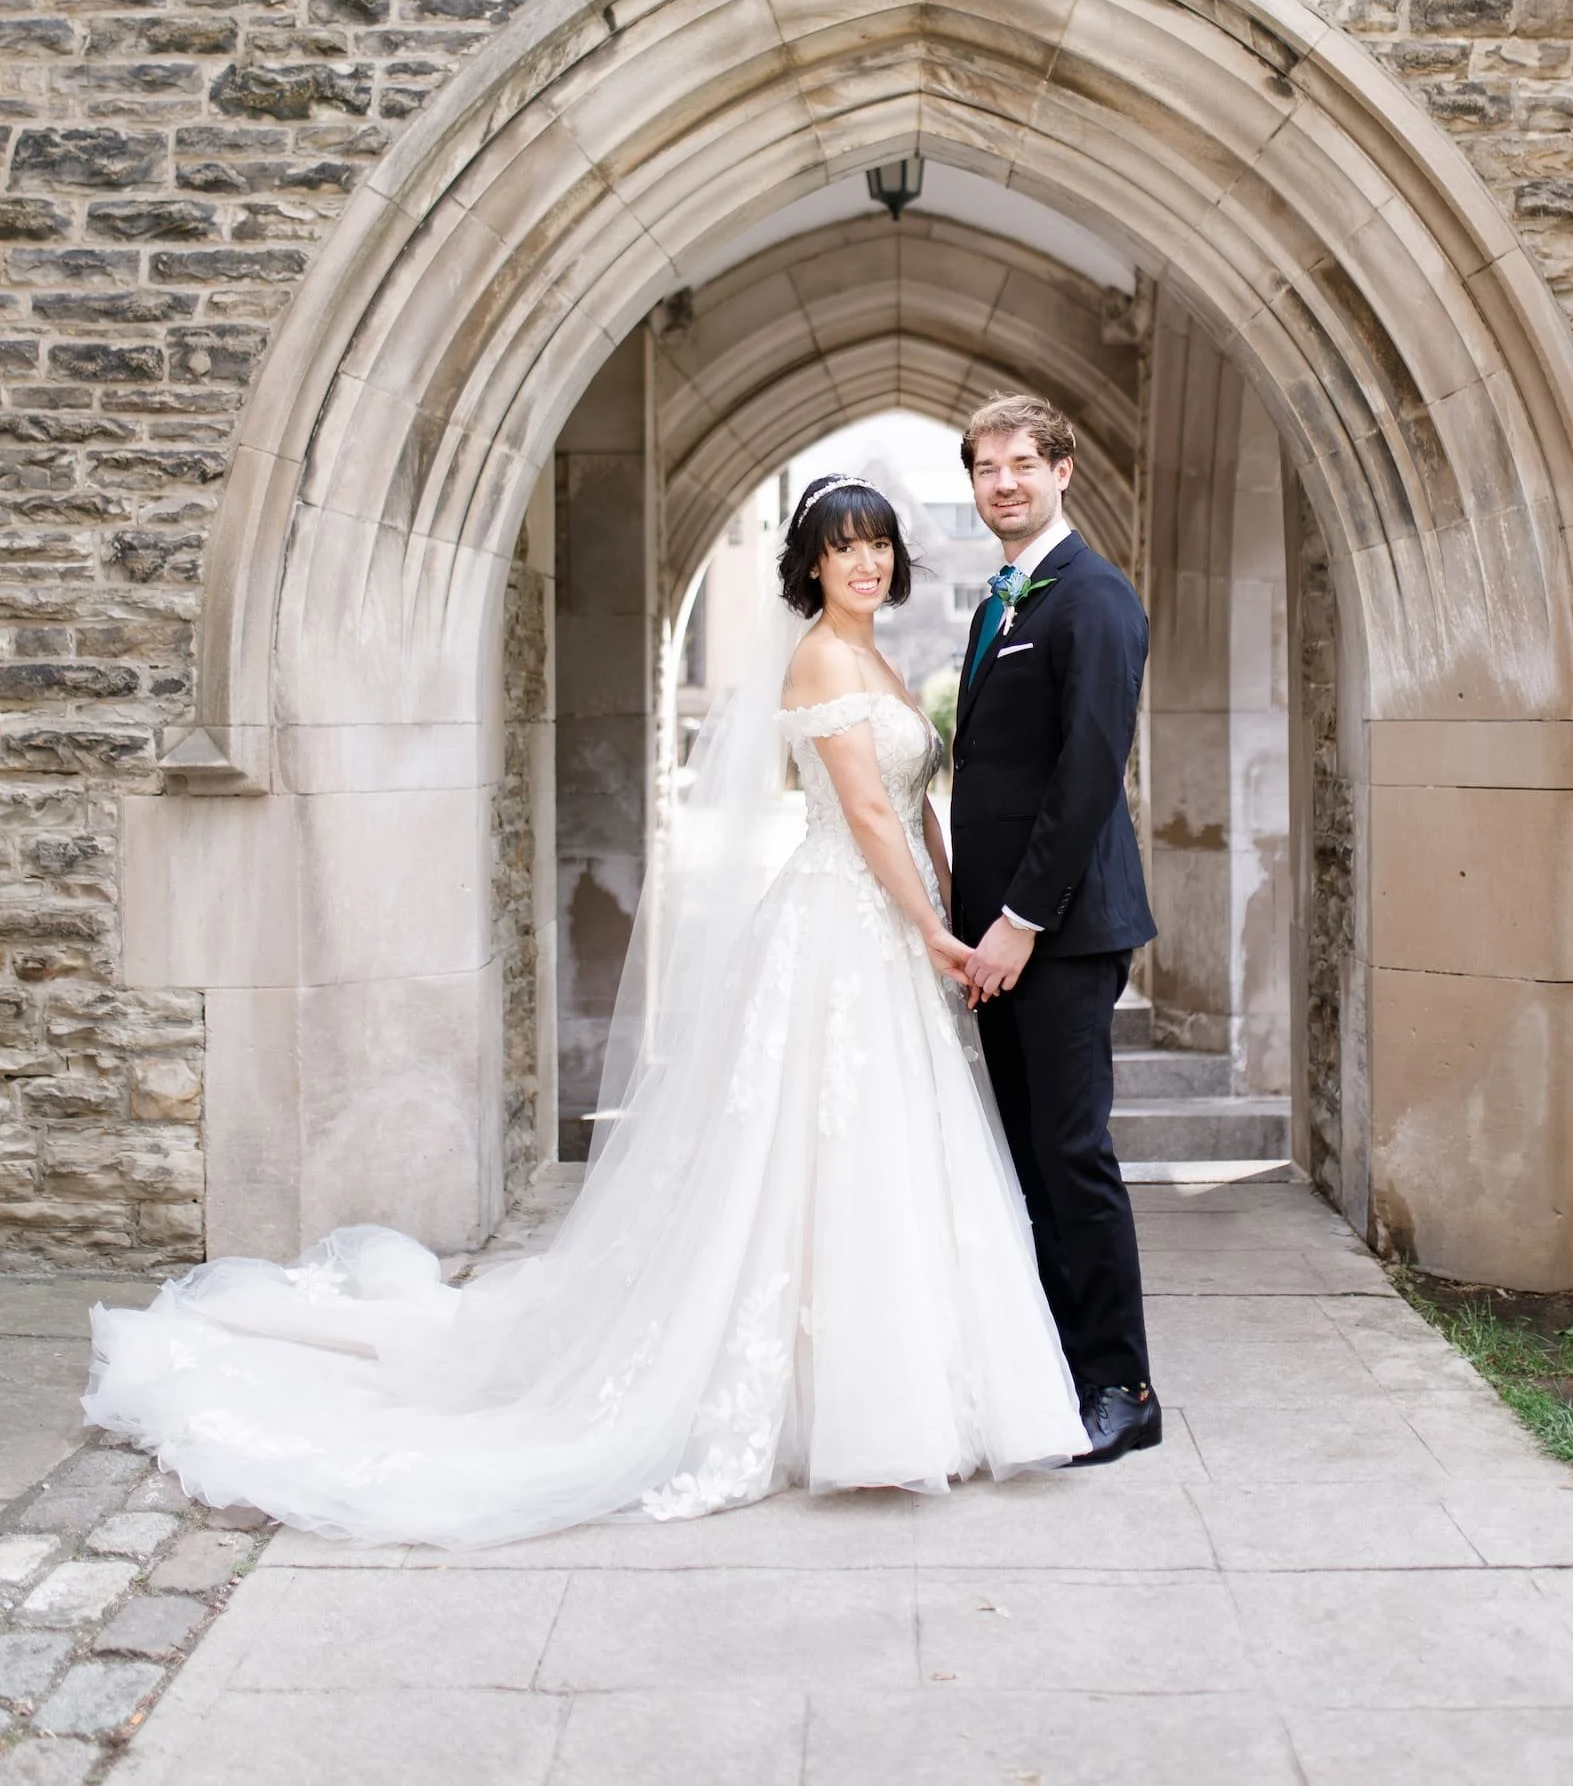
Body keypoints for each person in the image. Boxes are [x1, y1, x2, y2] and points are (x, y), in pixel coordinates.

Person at [81, 473, 1085, 1546]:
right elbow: (867, 813)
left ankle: (905, 1387)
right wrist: (930, 929)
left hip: (888, 929)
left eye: (879, 545)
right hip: (841, 929)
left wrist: (951, 902)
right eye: (844, 547)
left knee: (887, 1151)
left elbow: (918, 802)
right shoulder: (820, 658)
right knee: (815, 1145)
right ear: (811, 562)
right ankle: (837, 1408)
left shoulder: (879, 655)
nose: (866, 563)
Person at [950, 394, 1161, 1466]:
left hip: (1058, 935)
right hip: (994, 939)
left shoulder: (1094, 599)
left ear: (1062, 470)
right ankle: (1060, 1373)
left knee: (1072, 1156)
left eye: (1022, 463)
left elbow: (1084, 777)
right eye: (985, 467)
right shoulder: (998, 601)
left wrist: (1020, 922)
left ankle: (1123, 1388)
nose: (1003, 483)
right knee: (1030, 1161)